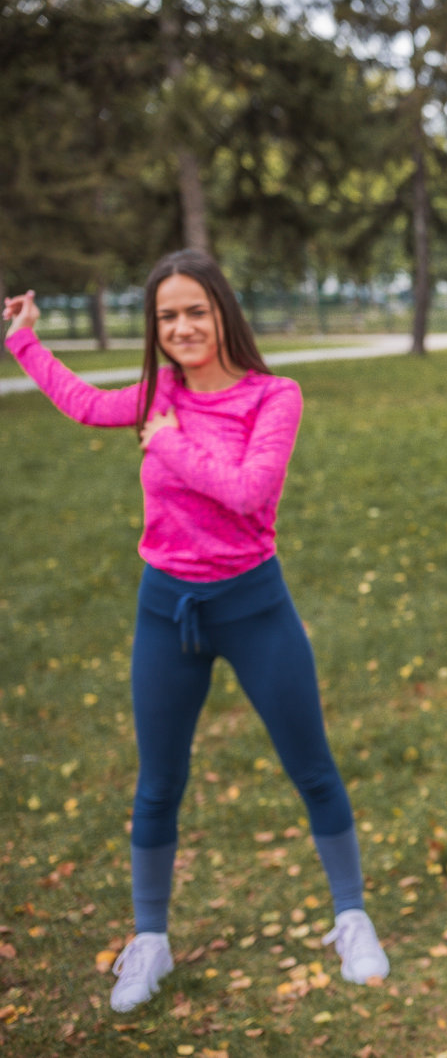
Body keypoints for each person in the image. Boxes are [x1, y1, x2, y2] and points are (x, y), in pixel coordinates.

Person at [2, 252, 389, 1014]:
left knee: (311, 765)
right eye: (166, 315)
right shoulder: (156, 395)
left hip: (253, 607)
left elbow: (250, 492)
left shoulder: (274, 396)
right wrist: (23, 340)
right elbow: (82, 403)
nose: (181, 327)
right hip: (166, 609)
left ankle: (352, 915)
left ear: (223, 314)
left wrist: (168, 441)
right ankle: (151, 938)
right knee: (157, 784)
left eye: (195, 311)